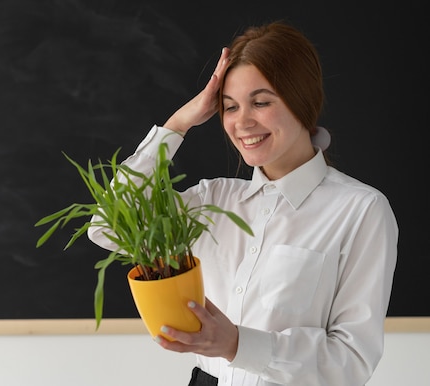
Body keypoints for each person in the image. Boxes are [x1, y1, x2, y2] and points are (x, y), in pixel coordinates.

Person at [87, 20, 398, 385]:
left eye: (261, 102)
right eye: (229, 107)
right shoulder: (213, 200)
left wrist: (237, 344)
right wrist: (179, 123)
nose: (242, 122)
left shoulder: (360, 210)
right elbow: (107, 226)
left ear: (303, 100)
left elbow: (350, 363)